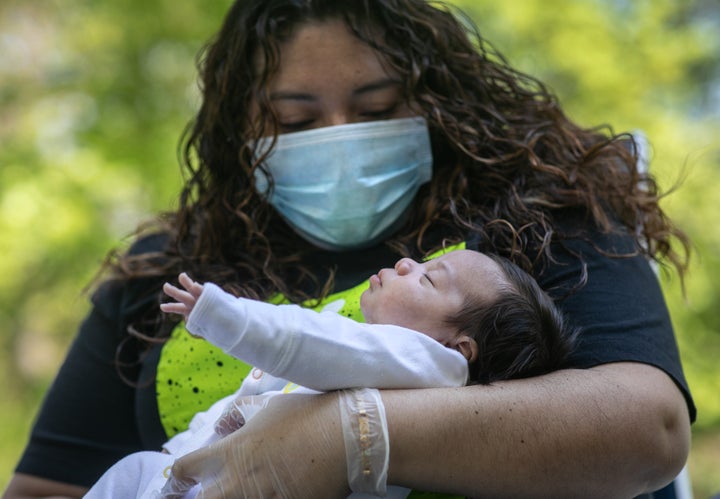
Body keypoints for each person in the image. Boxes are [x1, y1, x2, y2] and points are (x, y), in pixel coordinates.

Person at [4, 1, 695, 498]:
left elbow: (648, 426)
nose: (339, 137)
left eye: (376, 109)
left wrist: (354, 433)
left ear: (437, 100)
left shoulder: (543, 214)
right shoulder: (165, 263)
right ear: (237, 128)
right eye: (294, 120)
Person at [84, 250, 578, 498]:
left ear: (460, 347)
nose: (406, 262)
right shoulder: (394, 362)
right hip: (201, 474)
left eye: (427, 278)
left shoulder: (427, 362)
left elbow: (302, 341)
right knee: (132, 471)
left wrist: (221, 313)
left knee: (129, 475)